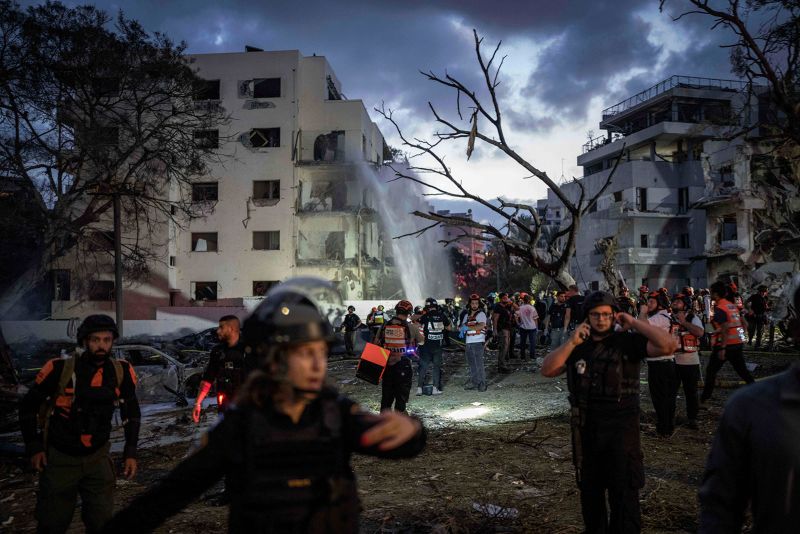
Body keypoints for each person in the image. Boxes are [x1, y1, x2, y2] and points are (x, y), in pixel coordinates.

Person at [103, 278, 426, 533]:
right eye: (304, 354)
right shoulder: (242, 426)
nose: (317, 364)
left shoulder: (333, 412)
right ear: (274, 360)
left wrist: (411, 431)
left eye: (320, 352)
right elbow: (169, 495)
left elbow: (396, 444)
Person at [540, 292, 678, 534]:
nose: (601, 319)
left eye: (606, 314)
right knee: (591, 500)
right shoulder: (579, 345)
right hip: (588, 433)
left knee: (624, 499)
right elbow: (548, 369)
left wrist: (634, 322)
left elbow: (668, 345)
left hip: (622, 434)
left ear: (614, 315)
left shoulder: (627, 342)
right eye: (595, 314)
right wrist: (571, 342)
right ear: (587, 317)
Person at [19, 315, 140, 533]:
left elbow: (131, 413)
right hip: (60, 459)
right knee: (52, 523)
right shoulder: (59, 369)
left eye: (106, 340)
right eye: (95, 340)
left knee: (102, 521)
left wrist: (130, 451)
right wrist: (34, 447)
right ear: (84, 341)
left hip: (98, 458)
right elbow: (28, 408)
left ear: (112, 341)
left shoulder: (121, 371)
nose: (101, 346)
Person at [701, 281, 754, 405]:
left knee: (711, 371)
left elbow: (724, 328)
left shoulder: (720, 308)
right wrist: (741, 338)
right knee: (743, 371)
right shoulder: (731, 306)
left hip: (725, 346)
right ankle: (758, 391)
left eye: (711, 292)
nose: (710, 294)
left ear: (716, 294)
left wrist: (723, 348)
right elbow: (744, 324)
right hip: (736, 344)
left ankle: (704, 398)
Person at [193, 315, 252, 423]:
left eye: (221, 327)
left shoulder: (249, 350)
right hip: (225, 407)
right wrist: (197, 403)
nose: (218, 331)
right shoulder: (218, 352)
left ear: (231, 329)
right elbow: (208, 379)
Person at [374, 300, 424, 413]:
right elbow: (422, 341)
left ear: (396, 311)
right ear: (409, 313)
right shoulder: (411, 327)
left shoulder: (384, 326)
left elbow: (376, 343)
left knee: (386, 398)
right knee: (401, 397)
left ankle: (384, 420)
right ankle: (399, 419)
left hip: (387, 365)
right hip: (403, 366)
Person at [644, 290, 679, 438]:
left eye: (651, 302)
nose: (648, 304)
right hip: (669, 362)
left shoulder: (659, 318)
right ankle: (668, 427)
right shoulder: (668, 317)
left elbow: (641, 326)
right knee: (668, 398)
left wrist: (642, 312)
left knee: (659, 398)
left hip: (659, 364)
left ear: (660, 304)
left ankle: (663, 429)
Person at [670, 293, 705, 429]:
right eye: (674, 301)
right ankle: (669, 418)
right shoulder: (668, 318)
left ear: (685, 305)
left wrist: (684, 322)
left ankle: (692, 419)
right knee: (670, 392)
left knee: (691, 392)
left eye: (678, 301)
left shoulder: (693, 318)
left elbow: (700, 333)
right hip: (672, 361)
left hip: (690, 362)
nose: (674, 303)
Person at [416, 298, 451, 395]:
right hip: (438, 346)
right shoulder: (442, 315)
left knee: (423, 367)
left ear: (427, 307)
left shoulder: (425, 316)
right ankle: (435, 389)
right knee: (436, 367)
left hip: (426, 347)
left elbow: (417, 325)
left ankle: (419, 389)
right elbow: (449, 328)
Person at [460, 293, 488, 391]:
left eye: (476, 303)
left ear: (479, 304)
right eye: (473, 303)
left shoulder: (481, 314)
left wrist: (467, 327)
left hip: (478, 342)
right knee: (472, 364)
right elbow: (462, 326)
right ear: (470, 304)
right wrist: (461, 329)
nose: (474, 305)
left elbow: (481, 326)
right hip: (469, 342)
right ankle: (475, 383)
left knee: (479, 364)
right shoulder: (466, 315)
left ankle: (482, 384)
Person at [491, 293, 515, 373]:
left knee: (506, 347)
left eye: (507, 298)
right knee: (503, 347)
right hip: (502, 329)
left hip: (507, 328)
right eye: (504, 298)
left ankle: (503, 364)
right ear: (501, 299)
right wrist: (494, 330)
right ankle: (501, 366)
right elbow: (495, 319)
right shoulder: (498, 307)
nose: (506, 299)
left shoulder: (506, 306)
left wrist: (511, 302)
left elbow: (518, 309)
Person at [517, 294, 539, 360]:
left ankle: (522, 356)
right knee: (532, 342)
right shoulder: (532, 308)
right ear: (530, 300)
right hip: (532, 327)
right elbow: (535, 319)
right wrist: (537, 327)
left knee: (522, 342)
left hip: (523, 327)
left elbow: (516, 316)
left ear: (523, 300)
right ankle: (532, 355)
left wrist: (518, 323)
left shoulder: (520, 307)